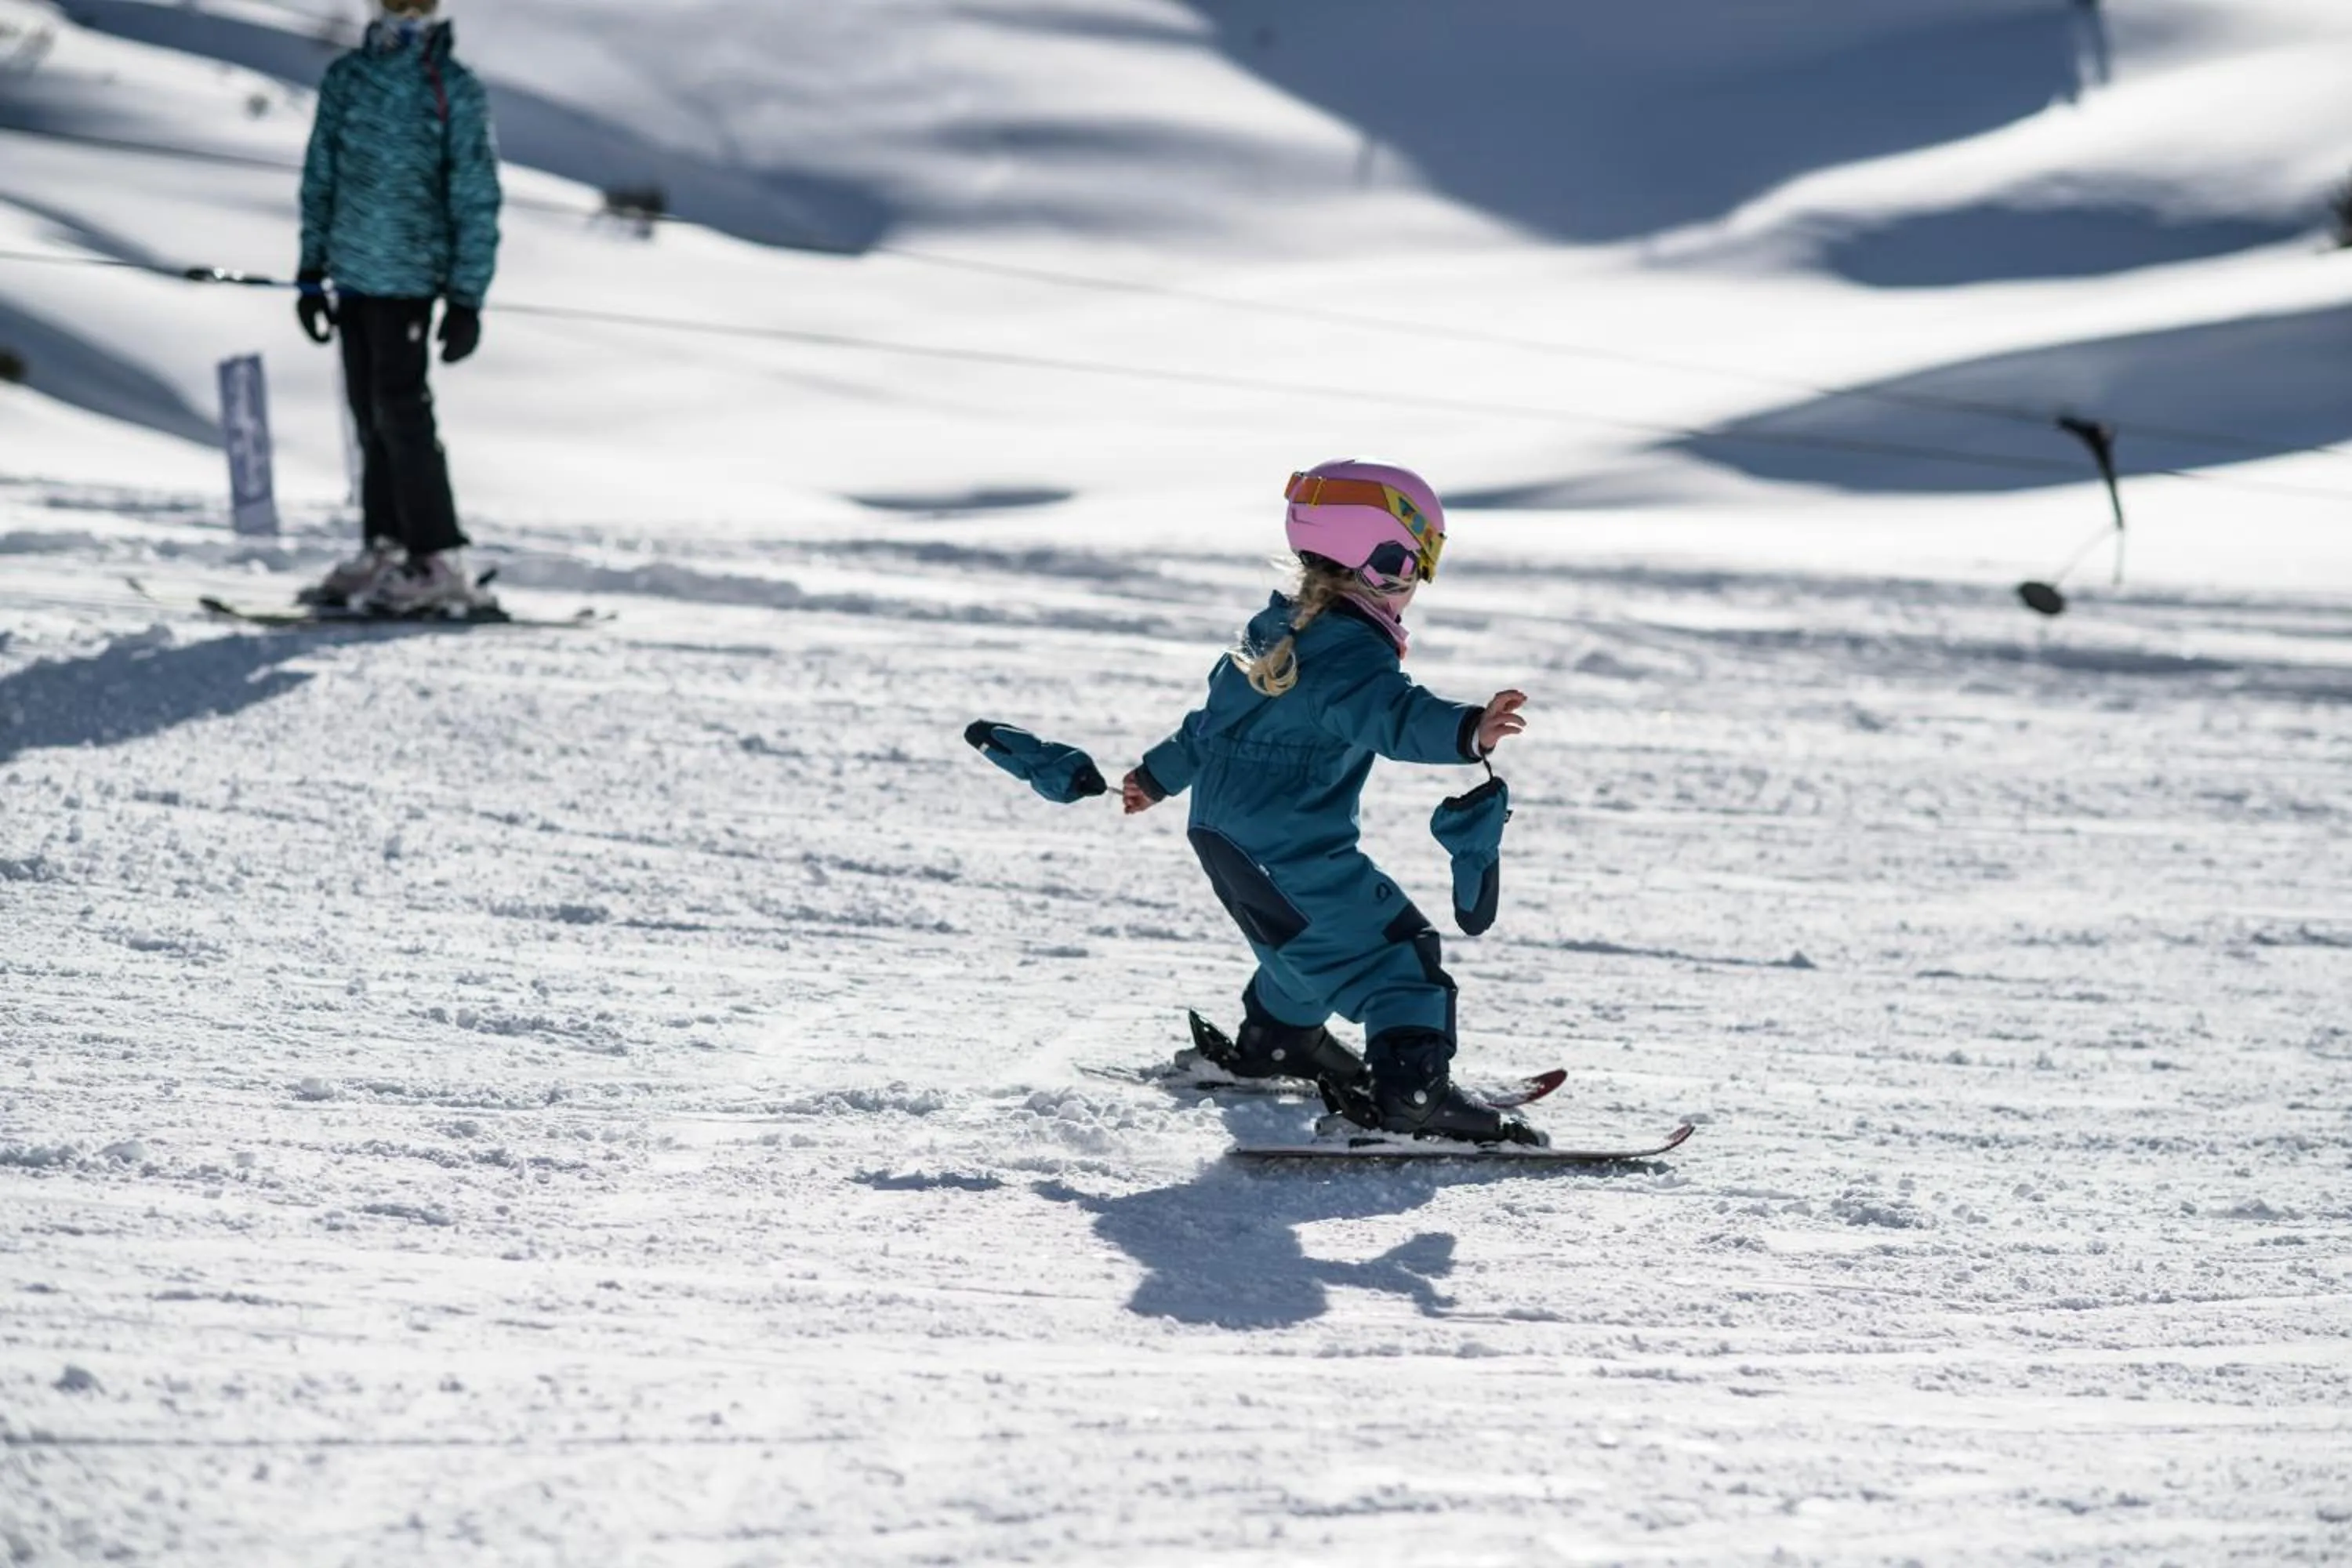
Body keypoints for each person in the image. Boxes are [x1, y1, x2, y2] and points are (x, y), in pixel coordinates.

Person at [1120, 459, 1539, 1145]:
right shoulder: (1347, 655)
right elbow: (1387, 714)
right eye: (1414, 564)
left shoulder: (1272, 634)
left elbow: (1211, 725)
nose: (1418, 584)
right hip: (1288, 846)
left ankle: (1277, 1042)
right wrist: (1467, 729)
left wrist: (1158, 776)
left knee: (1305, 947)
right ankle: (1411, 1102)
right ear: (1378, 565)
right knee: (1397, 957)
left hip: (1225, 838)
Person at [293, 0, 502, 615]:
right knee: (367, 412)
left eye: (418, 3)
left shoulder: (453, 89)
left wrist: (467, 296)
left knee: (403, 412)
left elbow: (475, 194)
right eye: (393, 1)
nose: (405, 14)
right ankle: (385, 545)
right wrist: (311, 268)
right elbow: (320, 175)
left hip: (412, 276)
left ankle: (437, 556)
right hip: (352, 274)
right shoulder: (348, 78)